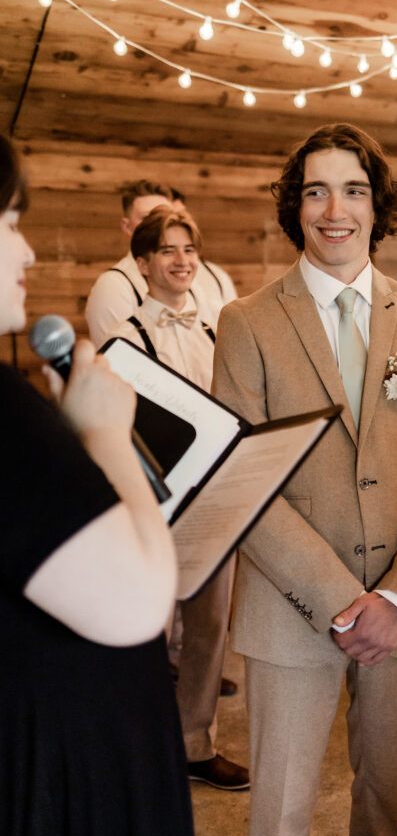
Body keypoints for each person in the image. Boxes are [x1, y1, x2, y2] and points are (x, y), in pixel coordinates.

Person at [212, 122, 397, 836]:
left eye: (354, 190)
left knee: (387, 801)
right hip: (288, 609)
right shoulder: (247, 323)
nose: (335, 209)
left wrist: (396, 598)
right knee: (280, 814)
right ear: (295, 206)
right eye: (316, 190)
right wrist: (336, 596)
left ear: (377, 204)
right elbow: (240, 476)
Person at [0, 137, 196, 836]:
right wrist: (109, 437)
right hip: (56, 787)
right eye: (11, 223)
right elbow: (138, 602)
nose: (25, 255)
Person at [106, 206, 248, 792]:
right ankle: (133, 747)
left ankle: (195, 742)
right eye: (167, 250)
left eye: (188, 249)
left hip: (215, 495)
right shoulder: (123, 339)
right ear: (142, 263)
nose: (181, 260)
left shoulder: (220, 326)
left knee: (210, 625)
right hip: (154, 503)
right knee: (146, 628)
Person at [85, 180, 237, 347]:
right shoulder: (113, 285)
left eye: (164, 215)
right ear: (127, 227)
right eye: (147, 218)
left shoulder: (189, 283)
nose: (159, 225)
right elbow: (117, 358)